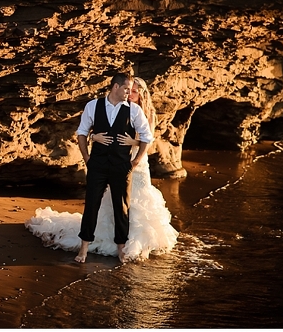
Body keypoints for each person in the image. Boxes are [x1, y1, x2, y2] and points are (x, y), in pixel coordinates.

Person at [25, 76, 178, 263]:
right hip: (97, 164)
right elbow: (81, 132)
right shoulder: (93, 106)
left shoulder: (135, 110)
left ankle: (121, 248)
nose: (129, 93)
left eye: (133, 90)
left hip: (123, 166)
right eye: (127, 89)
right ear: (116, 87)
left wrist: (135, 161)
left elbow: (147, 136)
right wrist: (87, 157)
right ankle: (83, 249)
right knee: (91, 205)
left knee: (121, 208)